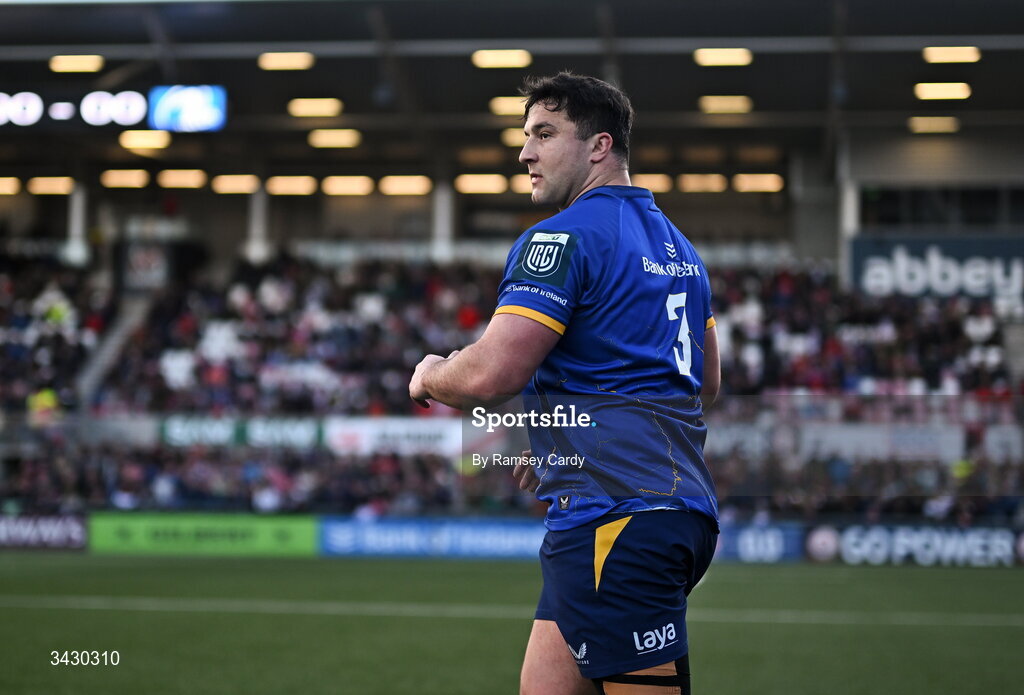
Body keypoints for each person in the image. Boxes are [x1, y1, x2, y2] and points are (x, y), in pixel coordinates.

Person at [409, 72, 720, 695]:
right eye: (525, 136)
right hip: (653, 513)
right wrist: (551, 425)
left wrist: (432, 375)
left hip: (619, 521)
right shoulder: (682, 249)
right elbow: (703, 382)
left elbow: (494, 372)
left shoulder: (562, 236)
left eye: (544, 134)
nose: (525, 152)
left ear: (599, 145)